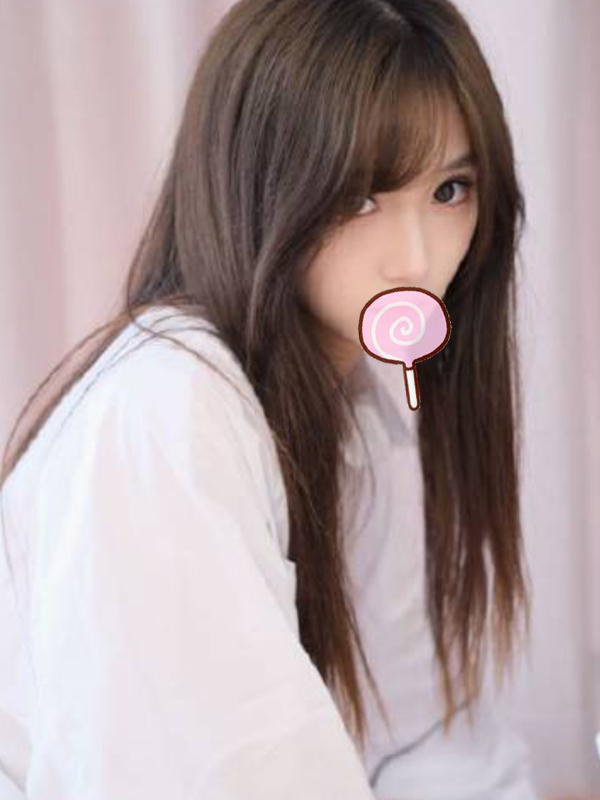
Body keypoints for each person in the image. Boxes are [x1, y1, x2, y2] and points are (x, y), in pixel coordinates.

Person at [0, 0, 575, 797]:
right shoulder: (169, 410)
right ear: (260, 186)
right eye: (361, 198)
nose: (417, 259)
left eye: (450, 190)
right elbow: (233, 773)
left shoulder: (362, 416)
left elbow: (417, 742)